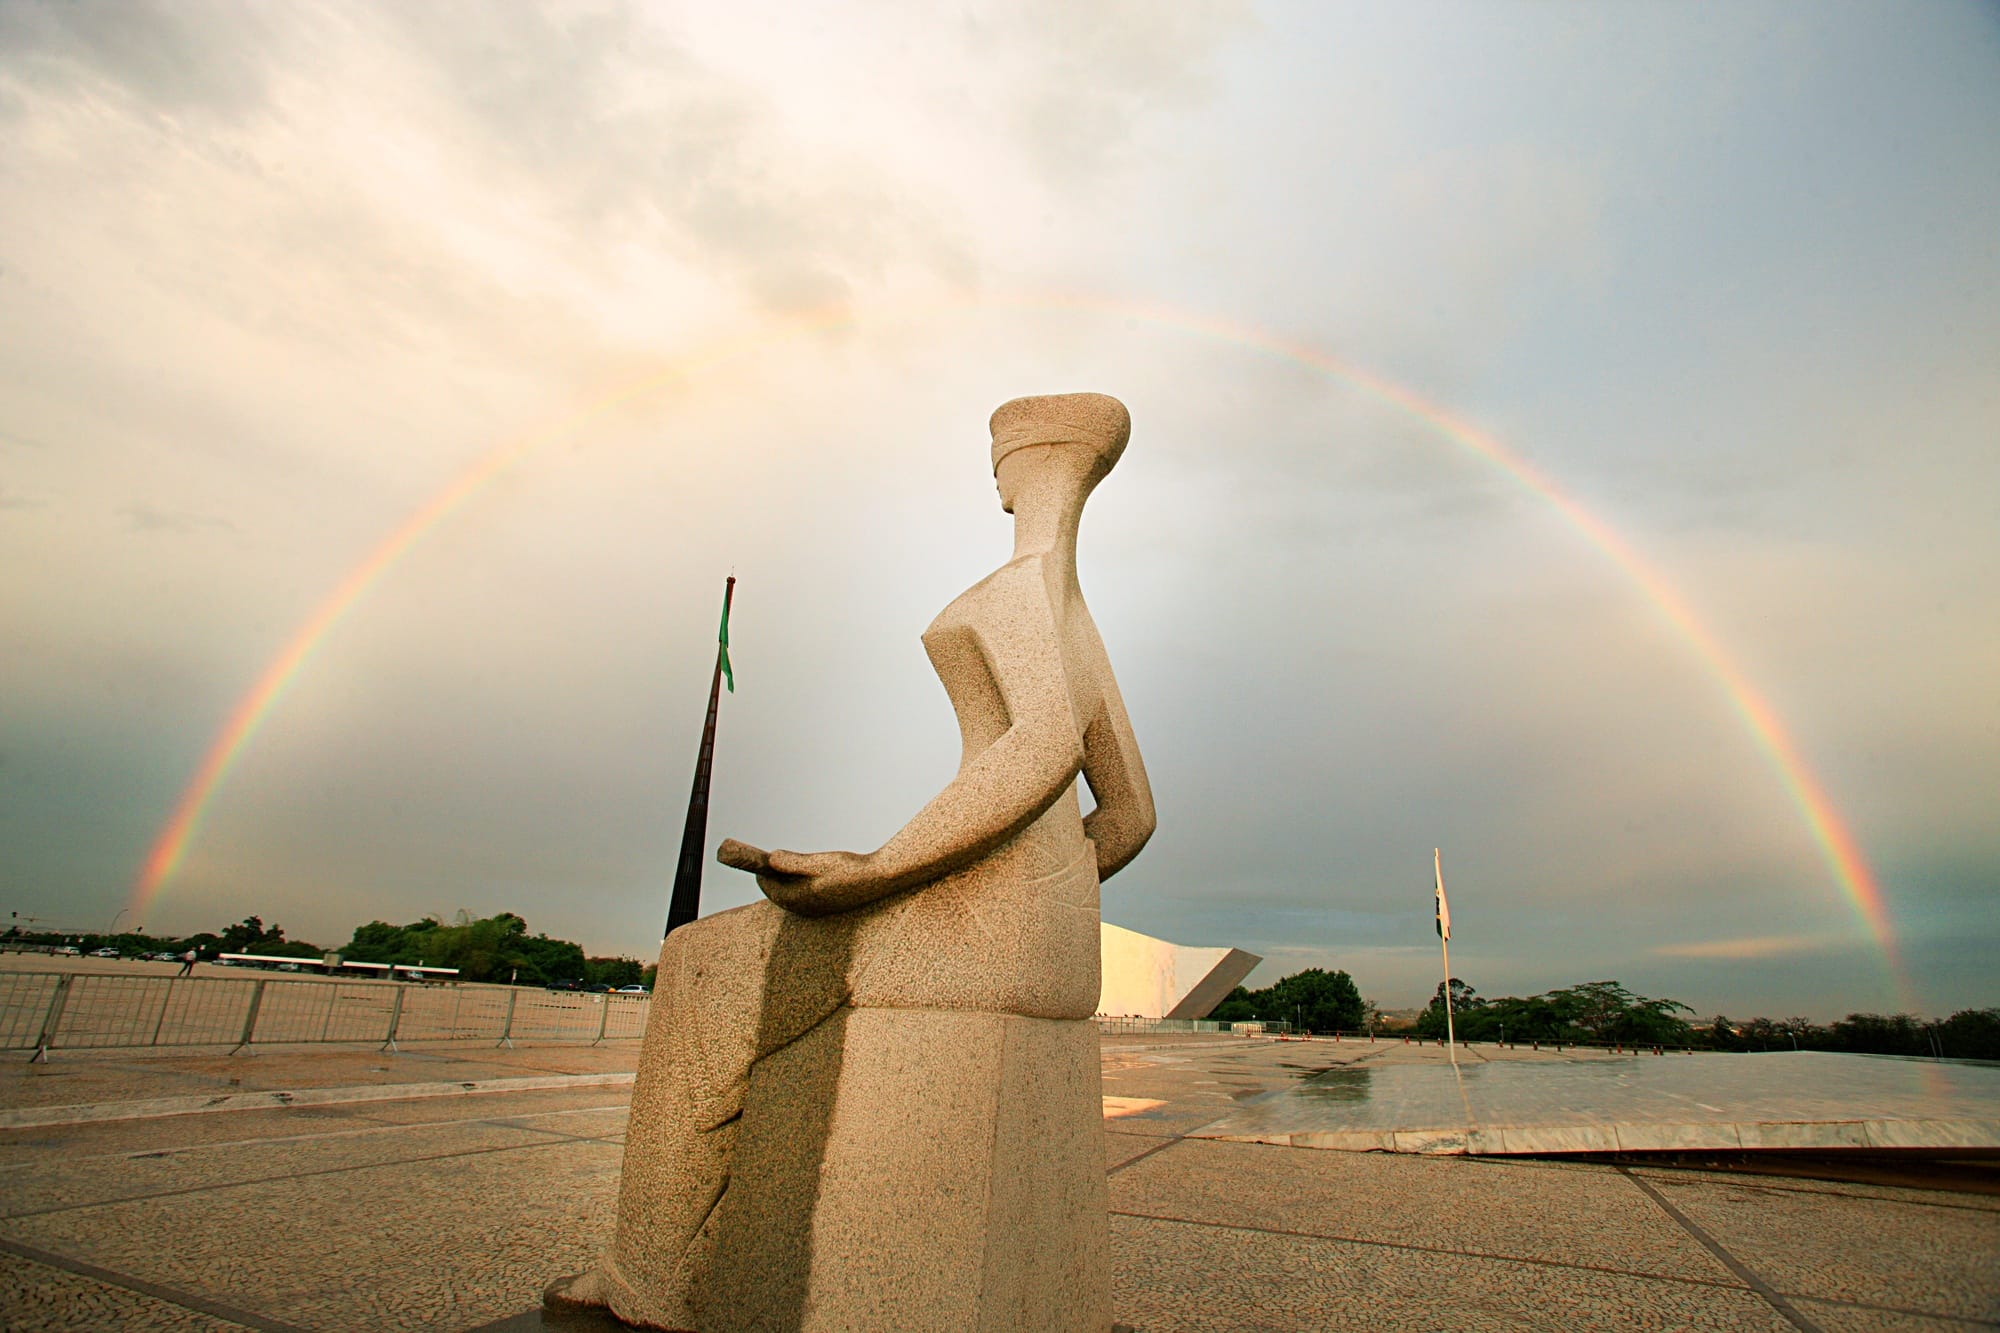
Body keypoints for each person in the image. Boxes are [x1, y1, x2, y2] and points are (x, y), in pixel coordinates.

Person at [552, 393, 1154, 1330]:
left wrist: (869, 875)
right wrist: (1049, 893)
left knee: (699, 966)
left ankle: (649, 1277)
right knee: (736, 959)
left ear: (1020, 468)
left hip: (983, 934)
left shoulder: (1009, 592)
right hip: (1057, 944)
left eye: (995, 458)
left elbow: (1041, 750)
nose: (990, 476)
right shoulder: (1081, 621)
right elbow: (1131, 816)